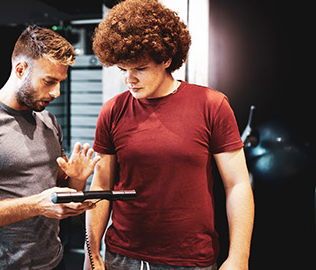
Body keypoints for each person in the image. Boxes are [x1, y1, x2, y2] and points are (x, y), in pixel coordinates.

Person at [85, 0, 254, 269]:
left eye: (139, 68)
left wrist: (239, 257)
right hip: (122, 256)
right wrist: (91, 254)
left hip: (189, 258)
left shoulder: (211, 104)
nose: (129, 79)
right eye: (122, 69)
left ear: (165, 59)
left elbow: (237, 185)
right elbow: (101, 186)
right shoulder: (113, 110)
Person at [0, 25, 101, 270]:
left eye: (60, 82)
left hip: (54, 261)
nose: (56, 92)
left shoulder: (48, 121)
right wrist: (37, 204)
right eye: (49, 81)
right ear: (20, 69)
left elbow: (57, 196)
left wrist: (77, 181)